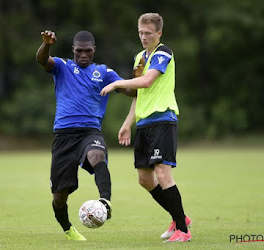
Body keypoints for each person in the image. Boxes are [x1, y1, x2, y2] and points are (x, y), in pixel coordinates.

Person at [100, 13, 192, 242]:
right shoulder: (140, 58)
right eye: (140, 32)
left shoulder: (164, 52)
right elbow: (140, 93)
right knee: (145, 179)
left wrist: (116, 83)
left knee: (162, 173)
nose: (143, 37)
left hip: (163, 120)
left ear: (159, 33)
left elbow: (147, 81)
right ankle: (179, 216)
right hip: (144, 124)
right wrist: (127, 123)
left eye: (148, 33)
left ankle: (183, 230)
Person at [36, 30, 124, 241]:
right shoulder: (62, 66)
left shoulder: (103, 72)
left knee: (97, 155)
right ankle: (68, 228)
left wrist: (138, 80)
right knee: (59, 196)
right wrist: (46, 44)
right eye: (79, 51)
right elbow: (41, 60)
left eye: (88, 51)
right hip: (64, 136)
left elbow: (128, 88)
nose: (83, 55)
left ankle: (105, 202)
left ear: (94, 50)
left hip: (89, 131)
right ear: (73, 50)